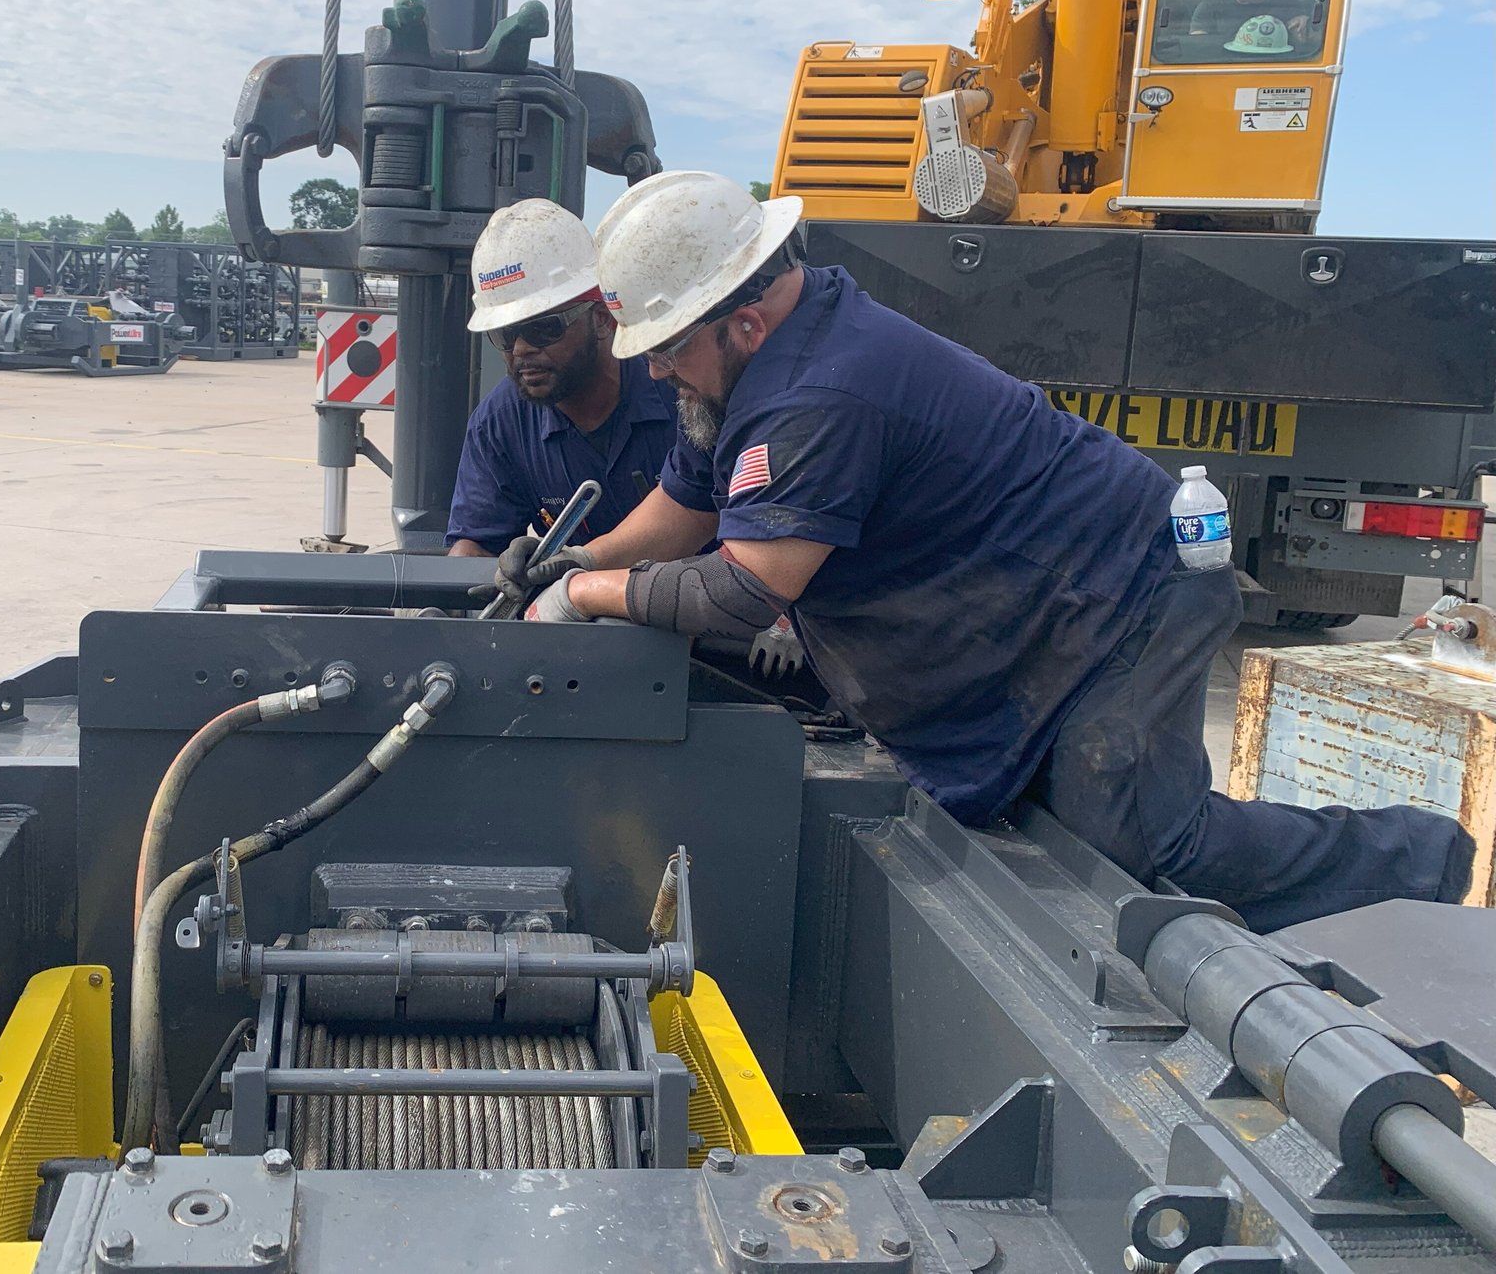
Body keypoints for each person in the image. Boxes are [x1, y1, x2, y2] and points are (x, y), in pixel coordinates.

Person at [497, 170, 1472, 932]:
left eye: (666, 347)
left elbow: (747, 587)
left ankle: (1417, 865)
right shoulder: (751, 361)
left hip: (1124, 597)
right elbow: (687, 502)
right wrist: (576, 557)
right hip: (1035, 615)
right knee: (1044, 825)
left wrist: (591, 598)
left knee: (1132, 836)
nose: (656, 370)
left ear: (742, 317)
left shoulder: (819, 394)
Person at [445, 200, 679, 561]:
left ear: (602, 319)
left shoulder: (681, 393)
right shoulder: (501, 423)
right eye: (505, 335)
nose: (521, 349)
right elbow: (475, 545)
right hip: (570, 611)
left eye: (542, 328)